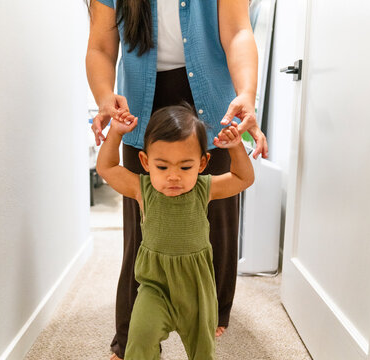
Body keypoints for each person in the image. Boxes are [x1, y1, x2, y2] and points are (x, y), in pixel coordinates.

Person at [85, 1, 268, 358]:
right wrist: (105, 97)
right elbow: (100, 47)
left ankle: (211, 313)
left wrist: (246, 92)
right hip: (138, 105)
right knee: (142, 229)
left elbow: (238, 32)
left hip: (212, 99)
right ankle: (128, 340)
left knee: (218, 221)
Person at [96, 103, 254, 360]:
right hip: (154, 285)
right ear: (145, 162)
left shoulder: (205, 188)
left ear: (202, 163)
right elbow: (107, 168)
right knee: (141, 338)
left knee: (202, 351)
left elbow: (243, 178)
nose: (173, 177)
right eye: (162, 167)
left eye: (185, 167)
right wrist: (116, 133)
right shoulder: (142, 188)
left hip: (197, 289)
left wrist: (236, 147)